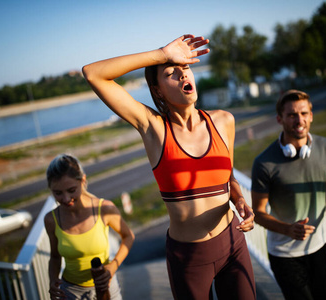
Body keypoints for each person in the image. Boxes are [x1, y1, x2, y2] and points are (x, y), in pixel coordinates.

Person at [82, 34, 256, 300]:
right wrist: (162, 54)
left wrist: (240, 199)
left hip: (233, 244)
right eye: (171, 73)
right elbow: (93, 73)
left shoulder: (223, 121)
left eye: (185, 69)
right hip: (189, 258)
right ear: (157, 90)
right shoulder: (154, 129)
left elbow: (228, 177)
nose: (183, 75)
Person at [251, 89, 326, 300]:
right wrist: (288, 229)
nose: (299, 119)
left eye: (304, 113)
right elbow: (257, 213)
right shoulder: (264, 162)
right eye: (292, 114)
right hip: (284, 255)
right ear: (280, 119)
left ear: (311, 116)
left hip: (319, 246)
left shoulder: (325, 146)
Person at [44, 154, 134, 300]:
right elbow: (55, 256)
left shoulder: (104, 209)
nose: (66, 199)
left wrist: (112, 267)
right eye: (58, 193)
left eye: (72, 190)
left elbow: (128, 236)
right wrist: (53, 280)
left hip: (107, 288)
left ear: (83, 180)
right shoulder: (51, 219)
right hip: (71, 292)